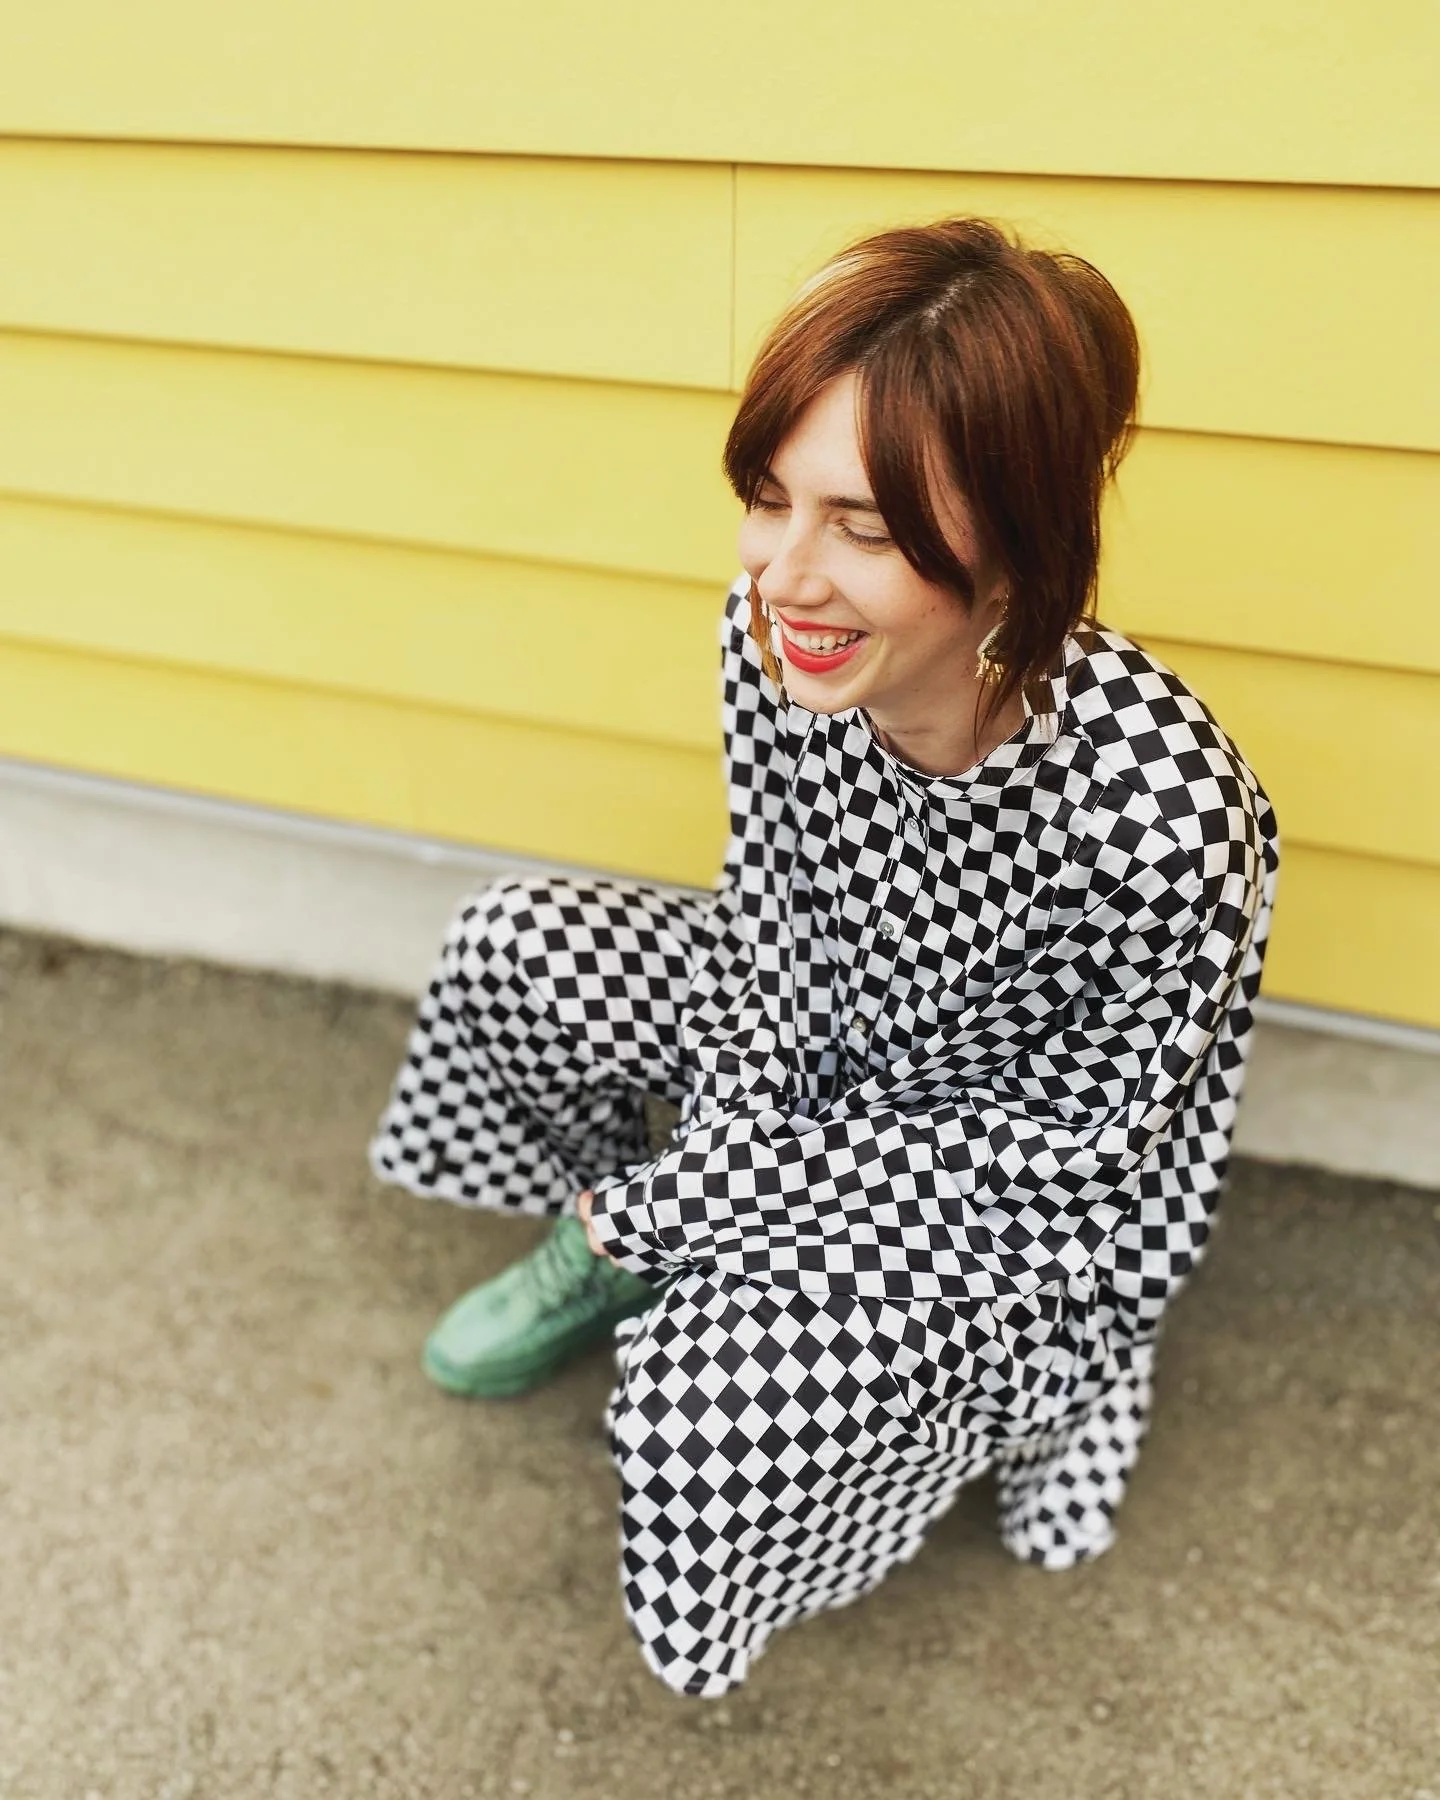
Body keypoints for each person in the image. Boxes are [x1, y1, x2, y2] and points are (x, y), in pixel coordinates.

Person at [369, 216, 1279, 1697]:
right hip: (811, 1060)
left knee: (691, 1406)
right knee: (514, 946)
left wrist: (698, 1199)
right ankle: (639, 1242)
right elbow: (770, 927)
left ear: (1021, 539)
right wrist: (728, 1161)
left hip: (1011, 1185)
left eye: (861, 526)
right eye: (766, 498)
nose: (785, 574)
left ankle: (991, 1380)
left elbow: (1078, 1159)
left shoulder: (1163, 812)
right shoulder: (775, 639)